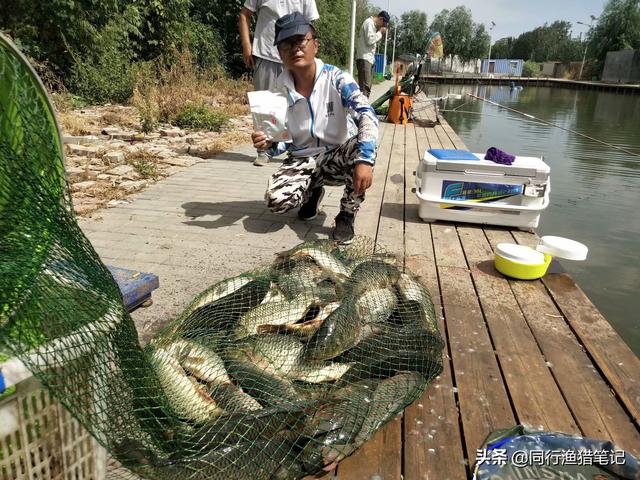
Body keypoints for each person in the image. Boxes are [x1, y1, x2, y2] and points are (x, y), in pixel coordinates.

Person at [251, 13, 379, 245]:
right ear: (279, 53)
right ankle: (313, 192)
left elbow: (367, 114)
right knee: (276, 202)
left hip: (338, 154)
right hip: (302, 158)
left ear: (315, 45)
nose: (295, 48)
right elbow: (283, 141)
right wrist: (269, 145)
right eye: (286, 44)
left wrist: (365, 160)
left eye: (301, 40)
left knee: (362, 145)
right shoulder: (276, 92)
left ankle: (347, 214)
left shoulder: (338, 78)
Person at [239, 0, 319, 166]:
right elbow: (244, 14)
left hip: (295, 55)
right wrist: (247, 46)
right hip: (266, 54)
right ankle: (264, 151)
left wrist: (309, 54)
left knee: (300, 105)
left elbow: (310, 26)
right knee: (264, 108)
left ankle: (302, 149)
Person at [356, 10, 390, 98]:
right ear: (381, 19)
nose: (382, 26)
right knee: (365, 87)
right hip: (364, 58)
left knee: (367, 86)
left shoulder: (372, 26)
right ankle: (363, 109)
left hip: (368, 59)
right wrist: (380, 33)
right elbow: (370, 40)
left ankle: (364, 107)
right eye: (383, 24)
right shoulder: (369, 23)